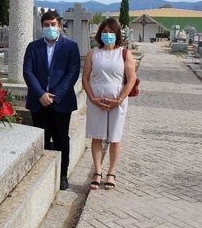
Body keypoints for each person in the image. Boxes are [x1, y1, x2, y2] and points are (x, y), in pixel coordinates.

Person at [23, 10, 80, 190]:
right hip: (38, 102)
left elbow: (72, 73)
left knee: (62, 138)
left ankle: (62, 174)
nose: (50, 28)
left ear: (60, 26)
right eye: (46, 25)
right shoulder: (33, 47)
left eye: (53, 24)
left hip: (61, 102)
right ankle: (41, 174)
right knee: (42, 138)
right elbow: (28, 72)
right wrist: (40, 94)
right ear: (42, 27)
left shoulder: (70, 47)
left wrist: (55, 96)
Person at [82, 18, 136, 190]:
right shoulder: (93, 53)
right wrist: (92, 98)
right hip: (96, 100)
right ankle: (97, 172)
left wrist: (118, 100)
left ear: (117, 34)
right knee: (96, 136)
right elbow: (85, 77)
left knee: (114, 138)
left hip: (117, 101)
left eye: (111, 32)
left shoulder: (124, 53)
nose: (107, 35)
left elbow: (131, 80)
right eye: (104, 32)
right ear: (99, 34)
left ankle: (111, 173)